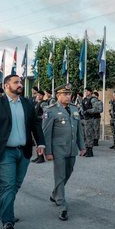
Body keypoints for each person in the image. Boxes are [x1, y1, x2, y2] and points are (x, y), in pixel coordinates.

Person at [0, 75, 45, 229]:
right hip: (4, 152)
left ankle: (3, 211)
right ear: (7, 85)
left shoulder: (27, 103)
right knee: (8, 185)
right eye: (16, 82)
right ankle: (8, 219)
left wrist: (41, 143)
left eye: (20, 82)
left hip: (24, 151)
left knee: (15, 184)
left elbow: (35, 124)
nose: (20, 85)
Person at [42, 86, 85, 221]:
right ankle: (62, 205)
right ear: (58, 95)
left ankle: (55, 193)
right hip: (58, 149)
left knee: (68, 172)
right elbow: (46, 133)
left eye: (69, 94)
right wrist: (48, 152)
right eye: (65, 94)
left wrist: (82, 147)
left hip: (72, 149)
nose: (68, 96)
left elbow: (79, 130)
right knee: (60, 175)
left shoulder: (74, 109)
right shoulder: (51, 110)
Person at [81, 88, 103, 156]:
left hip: (91, 119)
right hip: (85, 119)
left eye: (87, 91)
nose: (86, 92)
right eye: (85, 91)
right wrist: (82, 111)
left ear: (90, 92)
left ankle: (90, 151)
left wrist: (88, 111)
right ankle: (85, 149)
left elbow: (97, 109)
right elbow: (82, 108)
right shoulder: (84, 99)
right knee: (85, 135)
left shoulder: (93, 99)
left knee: (89, 135)